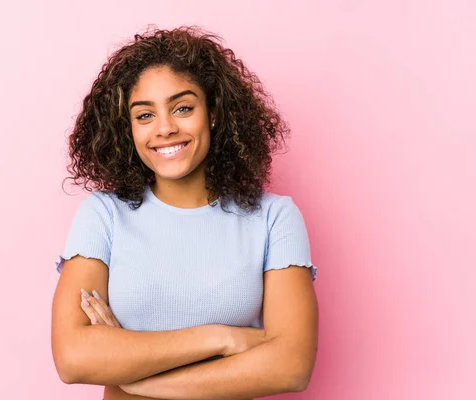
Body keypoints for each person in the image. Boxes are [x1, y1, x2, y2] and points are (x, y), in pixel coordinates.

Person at [51, 26, 319, 400]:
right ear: (127, 129)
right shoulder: (103, 215)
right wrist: (222, 338)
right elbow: (74, 358)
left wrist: (135, 378)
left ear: (212, 113)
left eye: (182, 108)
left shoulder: (274, 219)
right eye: (144, 115)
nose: (164, 128)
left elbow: (291, 367)